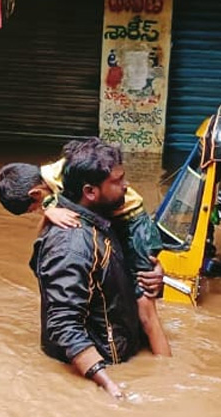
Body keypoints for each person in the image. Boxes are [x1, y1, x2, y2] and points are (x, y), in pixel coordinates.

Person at [0, 141, 171, 356]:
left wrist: (49, 208)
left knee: (146, 303)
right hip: (106, 344)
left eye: (35, 208)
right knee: (144, 302)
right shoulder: (76, 227)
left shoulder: (69, 187)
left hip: (136, 226)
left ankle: (164, 362)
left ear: (35, 193)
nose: (126, 185)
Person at [28, 138, 157, 399]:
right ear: (90, 191)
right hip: (100, 372)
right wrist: (109, 384)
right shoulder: (72, 245)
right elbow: (63, 324)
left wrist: (152, 273)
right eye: (118, 181)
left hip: (120, 353)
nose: (126, 186)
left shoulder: (103, 219)